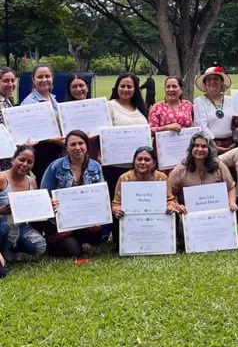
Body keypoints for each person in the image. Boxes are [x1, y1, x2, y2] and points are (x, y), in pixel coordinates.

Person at [40, 129, 105, 258]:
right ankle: (57, 242)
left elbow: (101, 196)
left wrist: (99, 218)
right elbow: (44, 195)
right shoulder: (55, 167)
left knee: (98, 234)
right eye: (73, 144)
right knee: (74, 252)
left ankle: (79, 239)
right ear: (67, 148)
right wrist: (51, 202)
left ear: (86, 145)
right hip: (59, 223)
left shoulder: (95, 167)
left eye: (81, 143)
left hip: (85, 219)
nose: (77, 148)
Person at [104, 73, 149, 239]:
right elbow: (102, 134)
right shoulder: (110, 106)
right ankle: (118, 238)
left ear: (135, 89)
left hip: (137, 167)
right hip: (115, 166)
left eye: (130, 86)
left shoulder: (141, 109)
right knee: (118, 202)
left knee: (135, 202)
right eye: (122, 86)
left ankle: (136, 236)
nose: (125, 89)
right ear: (116, 87)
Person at [112, 146, 178, 231]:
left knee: (173, 215)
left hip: (156, 221)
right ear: (134, 161)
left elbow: (170, 200)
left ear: (154, 163)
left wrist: (171, 206)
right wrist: (117, 210)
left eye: (147, 160)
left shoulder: (161, 178)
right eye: (139, 159)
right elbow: (116, 203)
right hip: (132, 221)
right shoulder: (125, 178)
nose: (142, 162)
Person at [169, 132, 237, 212]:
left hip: (217, 213)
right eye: (196, 146)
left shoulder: (218, 165)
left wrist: (232, 202)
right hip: (189, 214)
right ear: (191, 148)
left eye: (204, 146)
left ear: (210, 149)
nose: (200, 149)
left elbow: (231, 187)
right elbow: (169, 194)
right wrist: (177, 206)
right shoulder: (180, 169)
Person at [0, 146, 47, 261]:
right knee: (8, 228)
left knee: (40, 246)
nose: (25, 164)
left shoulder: (32, 182)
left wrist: (47, 205)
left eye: (30, 162)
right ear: (13, 160)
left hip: (20, 225)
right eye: (21, 160)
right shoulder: (1, 178)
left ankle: (13, 249)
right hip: (2, 225)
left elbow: (35, 208)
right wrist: (0, 210)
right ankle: (4, 253)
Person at [21, 64, 64, 185]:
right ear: (33, 80)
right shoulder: (29, 103)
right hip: (42, 153)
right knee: (47, 184)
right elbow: (30, 132)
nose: (44, 80)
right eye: (40, 77)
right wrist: (53, 139)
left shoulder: (52, 98)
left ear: (52, 78)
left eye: (47, 76)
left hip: (57, 150)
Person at [194, 66, 238, 154]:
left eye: (216, 79)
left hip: (230, 145)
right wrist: (212, 144)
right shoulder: (200, 101)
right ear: (205, 83)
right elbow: (201, 125)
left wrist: (236, 141)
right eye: (209, 79)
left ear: (221, 82)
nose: (212, 82)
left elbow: (235, 125)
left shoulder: (231, 100)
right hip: (209, 145)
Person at [0, 67, 17, 172]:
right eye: (6, 81)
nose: (10, 84)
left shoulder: (10, 99)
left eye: (12, 80)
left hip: (11, 155)